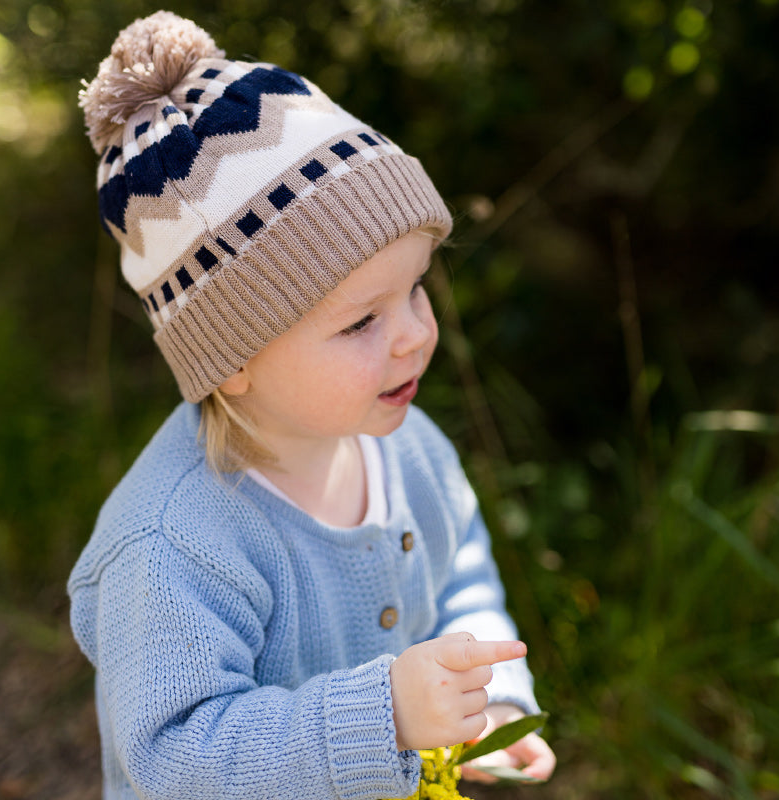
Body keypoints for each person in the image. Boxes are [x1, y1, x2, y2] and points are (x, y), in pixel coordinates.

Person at [68, 10, 556, 800]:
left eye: (416, 289)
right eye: (361, 320)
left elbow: (460, 565)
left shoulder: (408, 445)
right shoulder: (173, 544)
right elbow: (176, 756)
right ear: (230, 360)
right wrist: (384, 717)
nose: (411, 337)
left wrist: (486, 696)